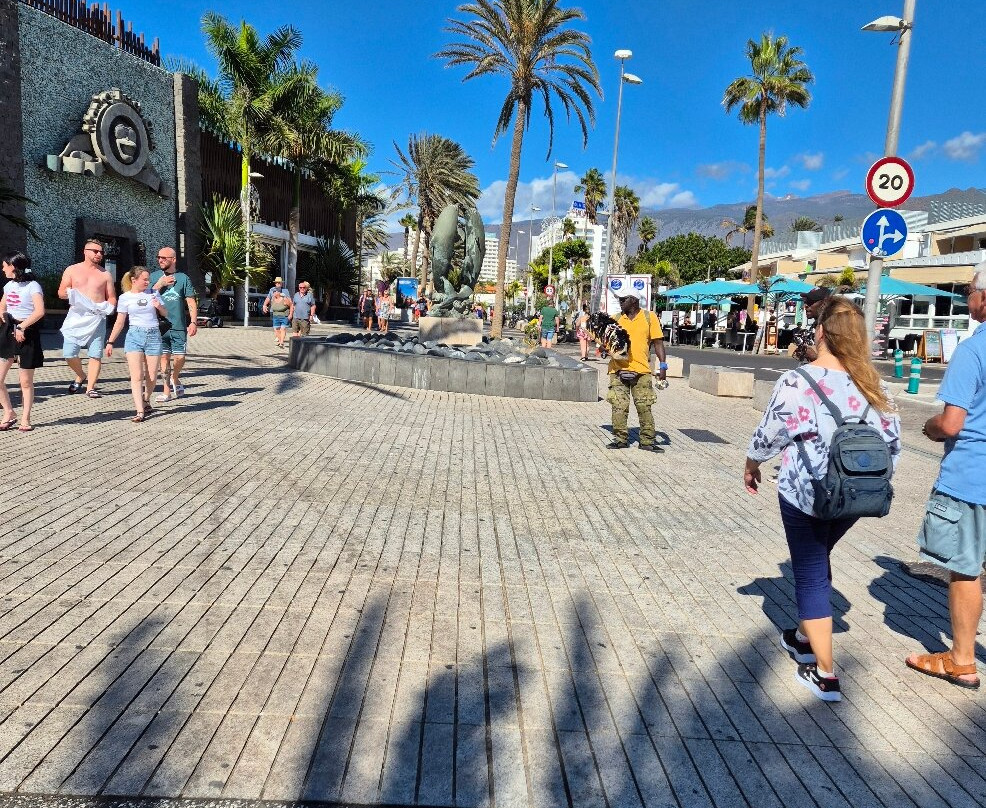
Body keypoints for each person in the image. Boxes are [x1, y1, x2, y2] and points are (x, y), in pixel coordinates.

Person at [744, 297, 901, 702]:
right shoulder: (874, 384)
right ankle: (800, 637)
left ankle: (825, 674)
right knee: (817, 558)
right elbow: (893, 445)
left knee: (811, 571)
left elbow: (770, 434)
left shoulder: (799, 381)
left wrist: (752, 463)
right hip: (857, 494)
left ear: (822, 333)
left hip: (807, 493)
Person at [905, 266, 986, 690]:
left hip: (973, 476)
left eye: (969, 290)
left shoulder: (974, 350)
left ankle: (961, 659)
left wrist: (930, 427)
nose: (966, 297)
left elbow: (952, 423)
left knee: (966, 569)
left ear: (985, 299)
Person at [606, 293, 668, 452]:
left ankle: (647, 441)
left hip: (641, 371)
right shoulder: (615, 319)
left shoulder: (649, 317)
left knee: (644, 407)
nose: (620, 302)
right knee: (619, 407)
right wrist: (605, 347)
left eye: (623, 299)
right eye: (619, 299)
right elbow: (605, 342)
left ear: (633, 300)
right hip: (618, 370)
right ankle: (620, 439)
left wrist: (663, 367)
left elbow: (658, 343)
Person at [105, 267, 167, 423]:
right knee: (137, 376)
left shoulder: (153, 293)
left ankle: (146, 399)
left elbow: (166, 313)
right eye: (145, 279)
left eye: (148, 279)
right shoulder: (125, 298)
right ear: (134, 280)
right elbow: (120, 322)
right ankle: (140, 411)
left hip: (153, 335)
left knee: (152, 376)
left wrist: (159, 306)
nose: (148, 282)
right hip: (134, 336)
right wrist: (110, 341)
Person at [58, 239, 116, 398]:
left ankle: (91, 387)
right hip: (77, 317)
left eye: (101, 252)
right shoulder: (72, 270)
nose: (99, 254)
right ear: (85, 251)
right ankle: (81, 375)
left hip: (97, 318)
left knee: (95, 354)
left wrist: (109, 308)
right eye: (95, 251)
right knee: (69, 354)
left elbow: (111, 297)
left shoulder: (105, 274)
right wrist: (74, 295)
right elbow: (61, 292)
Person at [0, 252, 45, 431]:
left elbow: (39, 311)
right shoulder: (9, 285)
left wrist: (22, 327)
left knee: (25, 382)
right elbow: (3, 305)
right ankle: (9, 412)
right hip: (9, 330)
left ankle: (25, 419)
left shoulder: (33, 286)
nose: (3, 269)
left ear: (13, 266)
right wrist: (3, 316)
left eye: (5, 265)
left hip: (27, 331)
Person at [150, 247, 198, 401]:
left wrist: (193, 322)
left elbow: (190, 301)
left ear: (174, 259)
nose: (160, 260)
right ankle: (166, 392)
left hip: (178, 325)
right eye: (159, 257)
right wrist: (160, 284)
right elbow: (143, 298)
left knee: (180, 358)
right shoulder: (154, 277)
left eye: (164, 257)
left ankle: (175, 378)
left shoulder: (183, 278)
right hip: (159, 327)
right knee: (164, 359)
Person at [792, 287, 832, 363]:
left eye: (810, 302)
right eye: (805, 302)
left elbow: (841, 365)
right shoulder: (816, 325)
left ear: (824, 303)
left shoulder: (832, 327)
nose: (806, 306)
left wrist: (815, 358)